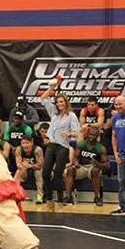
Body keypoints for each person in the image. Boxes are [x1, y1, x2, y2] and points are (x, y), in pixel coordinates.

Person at [39, 78, 80, 210]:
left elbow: (77, 133)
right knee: (45, 173)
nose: (59, 104)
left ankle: (61, 198)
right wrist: (52, 87)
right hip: (52, 145)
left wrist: (68, 134)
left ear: (65, 102)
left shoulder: (71, 116)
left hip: (63, 147)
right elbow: (43, 99)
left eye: (61, 102)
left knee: (57, 174)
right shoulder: (54, 113)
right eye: (57, 102)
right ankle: (49, 197)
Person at [63, 127, 108, 206]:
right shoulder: (81, 144)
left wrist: (97, 163)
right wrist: (76, 162)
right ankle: (68, 197)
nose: (91, 137)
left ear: (97, 136)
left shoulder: (101, 148)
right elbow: (75, 157)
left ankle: (97, 198)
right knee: (70, 170)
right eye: (90, 134)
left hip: (93, 168)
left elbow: (106, 165)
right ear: (88, 135)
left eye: (94, 135)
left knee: (96, 171)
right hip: (82, 167)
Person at [14, 135, 44, 204]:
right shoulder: (19, 149)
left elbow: (40, 165)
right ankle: (15, 193)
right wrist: (23, 167)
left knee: (38, 172)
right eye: (23, 143)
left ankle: (40, 195)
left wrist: (30, 166)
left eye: (27, 143)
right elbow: (18, 164)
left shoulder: (37, 150)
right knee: (18, 171)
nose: (25, 145)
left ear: (32, 142)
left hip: (36, 169)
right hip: (25, 170)